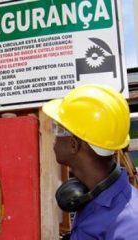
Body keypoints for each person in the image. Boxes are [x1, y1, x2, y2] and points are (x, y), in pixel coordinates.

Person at [42, 84, 138, 239]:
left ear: (73, 145)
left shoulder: (129, 225)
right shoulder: (92, 196)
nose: (54, 137)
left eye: (58, 129)